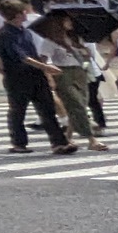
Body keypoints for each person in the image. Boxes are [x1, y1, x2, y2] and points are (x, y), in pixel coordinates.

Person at [0, 0, 72, 155]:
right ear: (17, 14)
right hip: (18, 78)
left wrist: (45, 72)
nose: (26, 13)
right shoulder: (5, 34)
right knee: (18, 111)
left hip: (36, 75)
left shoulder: (25, 32)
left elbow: (33, 54)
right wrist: (46, 67)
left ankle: (59, 143)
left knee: (47, 109)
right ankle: (19, 143)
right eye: (23, 11)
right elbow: (22, 57)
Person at [36, 11, 109, 153]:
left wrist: (86, 57)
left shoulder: (77, 38)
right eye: (66, 21)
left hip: (80, 72)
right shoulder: (50, 41)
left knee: (78, 105)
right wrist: (49, 77)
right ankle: (91, 139)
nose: (70, 23)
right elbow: (43, 60)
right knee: (76, 105)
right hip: (62, 73)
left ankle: (67, 136)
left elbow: (87, 60)